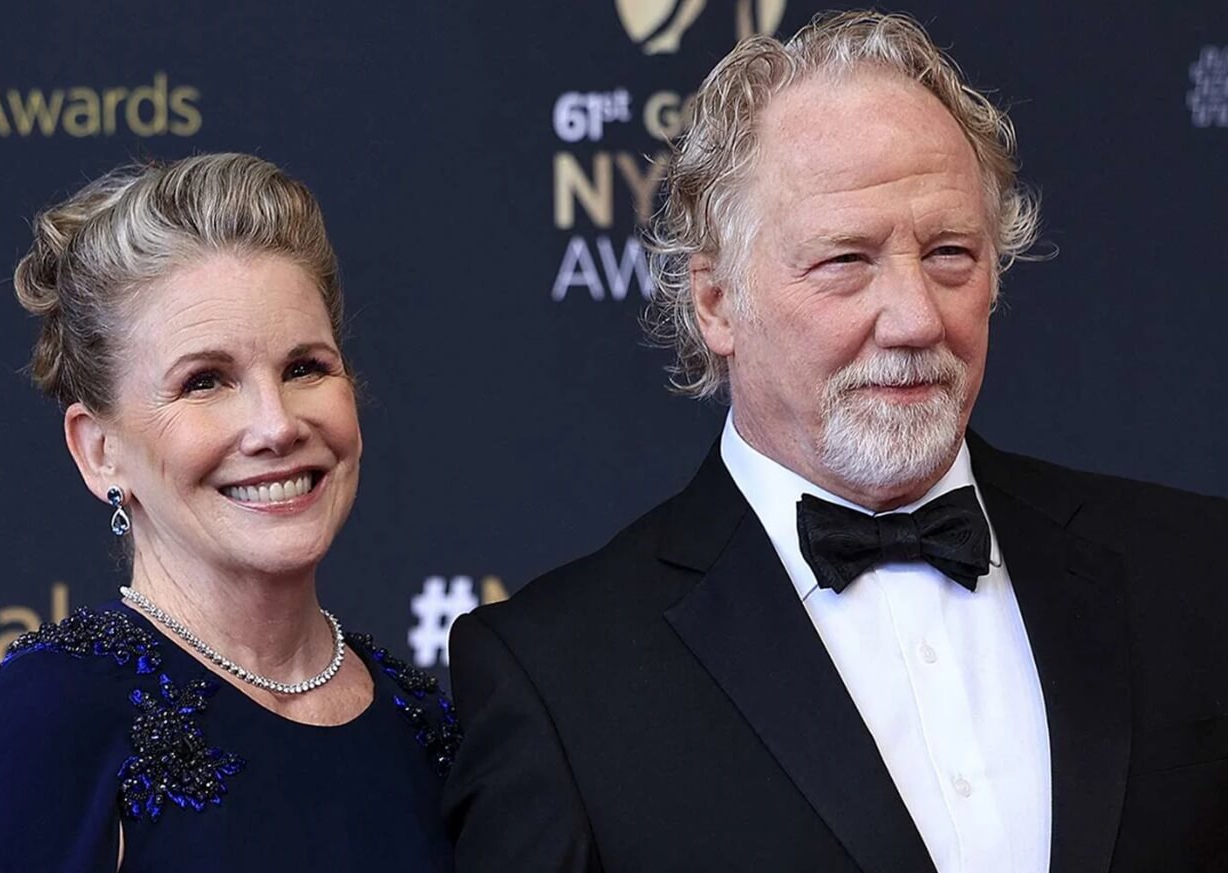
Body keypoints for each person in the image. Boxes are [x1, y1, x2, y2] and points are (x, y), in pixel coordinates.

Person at [443, 11, 1228, 873]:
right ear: (716, 303)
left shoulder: (1195, 572)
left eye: (950, 253)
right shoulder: (560, 678)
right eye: (846, 260)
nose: (916, 318)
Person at [0, 154, 457, 871]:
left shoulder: (427, 728)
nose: (276, 425)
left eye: (304, 368)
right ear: (100, 451)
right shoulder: (53, 719)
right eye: (205, 381)